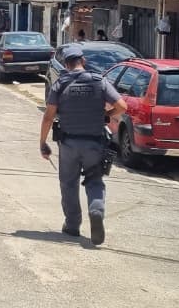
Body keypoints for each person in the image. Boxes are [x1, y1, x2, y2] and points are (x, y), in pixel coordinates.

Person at [39, 44, 128, 246]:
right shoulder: (99, 81)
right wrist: (106, 115)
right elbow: (122, 106)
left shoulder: (60, 84)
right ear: (83, 61)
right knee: (94, 181)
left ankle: (72, 225)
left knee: (68, 184)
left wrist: (43, 142)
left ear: (66, 65)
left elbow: (48, 116)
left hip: (68, 143)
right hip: (95, 143)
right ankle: (96, 210)